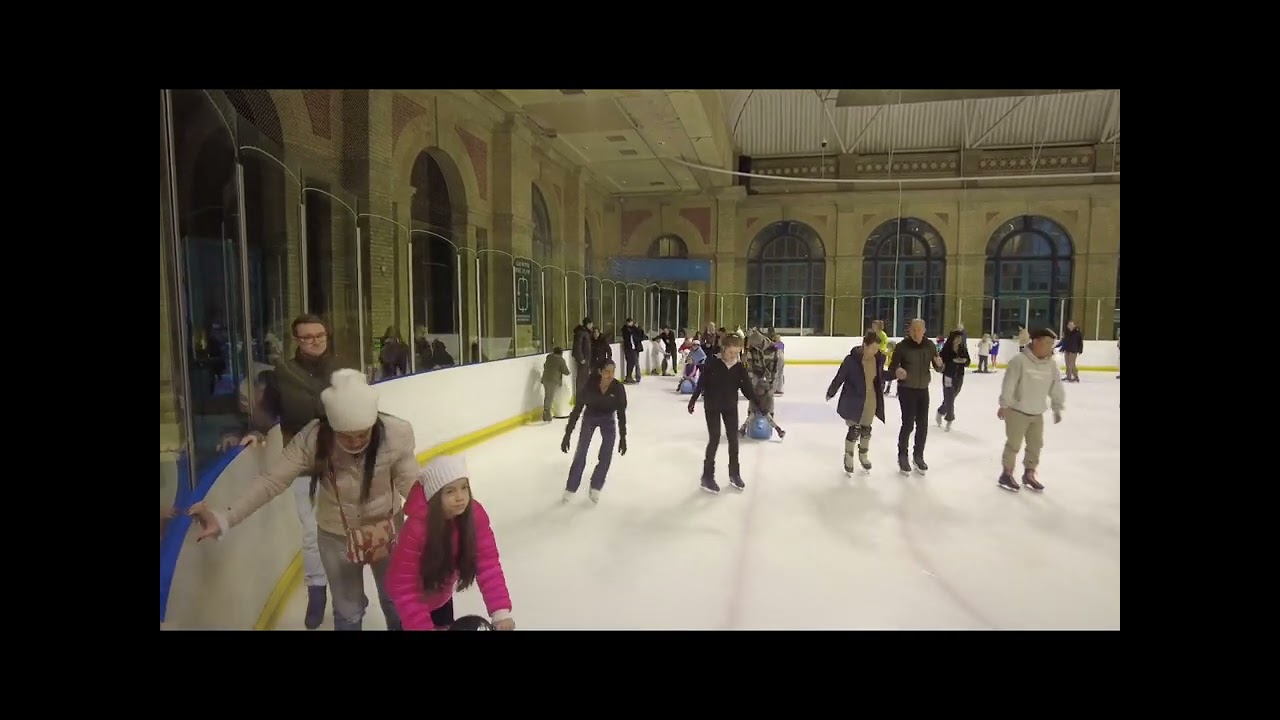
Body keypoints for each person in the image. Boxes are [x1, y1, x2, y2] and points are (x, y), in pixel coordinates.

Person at [189, 369, 420, 630]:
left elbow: (412, 485)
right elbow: (272, 481)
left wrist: (437, 518)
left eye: (362, 434)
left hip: (389, 531)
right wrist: (225, 517)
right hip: (337, 536)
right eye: (346, 435)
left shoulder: (395, 434)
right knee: (348, 610)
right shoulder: (313, 438)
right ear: (332, 426)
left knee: (397, 599)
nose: (355, 442)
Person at [221, 313, 336, 629]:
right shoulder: (281, 375)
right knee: (312, 532)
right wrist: (254, 431)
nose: (314, 341)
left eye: (319, 335)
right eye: (307, 337)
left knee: (344, 530)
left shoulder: (342, 370)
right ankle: (316, 592)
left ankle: (346, 591)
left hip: (342, 462)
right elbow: (267, 411)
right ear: (296, 340)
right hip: (302, 464)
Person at [386, 454, 515, 630]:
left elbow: (487, 564)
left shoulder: (474, 516)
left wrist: (500, 612)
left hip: (441, 596)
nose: (460, 497)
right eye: (450, 491)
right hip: (411, 606)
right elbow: (403, 586)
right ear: (435, 496)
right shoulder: (416, 530)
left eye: (464, 488)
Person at [997, 328, 1066, 492]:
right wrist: (1004, 404)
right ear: (1035, 341)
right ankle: (1007, 473)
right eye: (1047, 343)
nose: (1050, 347)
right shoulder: (1019, 361)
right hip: (1017, 411)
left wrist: (1057, 407)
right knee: (1013, 444)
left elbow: (1056, 387)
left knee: (1035, 445)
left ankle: (1029, 473)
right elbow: (1009, 383)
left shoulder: (1051, 364)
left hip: (1037, 412)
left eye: (1052, 344)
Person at [688, 334, 759, 494]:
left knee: (733, 440)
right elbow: (702, 381)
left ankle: (734, 474)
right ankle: (707, 476)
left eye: (736, 353)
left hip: (730, 407)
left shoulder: (739, 368)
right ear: (723, 349)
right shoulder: (712, 362)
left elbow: (747, 389)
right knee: (714, 439)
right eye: (730, 352)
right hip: (712, 406)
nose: (733, 356)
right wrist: (693, 399)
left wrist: (757, 403)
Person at [561, 358, 628, 503]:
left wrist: (623, 437)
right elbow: (577, 409)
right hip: (590, 416)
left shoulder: (618, 388)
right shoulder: (589, 386)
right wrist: (568, 434)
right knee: (581, 451)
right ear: (600, 372)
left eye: (613, 372)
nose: (610, 375)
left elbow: (621, 413)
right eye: (607, 372)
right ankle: (571, 488)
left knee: (606, 453)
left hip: (608, 419)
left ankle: (596, 486)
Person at [885, 318, 943, 474]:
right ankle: (902, 456)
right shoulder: (902, 346)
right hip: (906, 389)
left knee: (922, 425)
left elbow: (938, 367)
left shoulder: (930, 345)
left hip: (923, 390)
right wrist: (897, 371)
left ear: (924, 331)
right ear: (909, 331)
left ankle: (918, 456)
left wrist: (940, 365)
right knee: (908, 424)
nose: (916, 332)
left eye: (919, 329)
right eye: (913, 329)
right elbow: (892, 367)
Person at [825, 332, 886, 474]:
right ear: (865, 345)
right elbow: (840, 377)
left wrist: (896, 374)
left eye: (877, 349)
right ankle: (849, 455)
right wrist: (831, 392)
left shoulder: (878, 359)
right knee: (854, 430)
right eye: (873, 348)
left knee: (866, 430)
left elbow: (881, 376)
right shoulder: (851, 360)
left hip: (871, 400)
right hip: (853, 400)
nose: (875, 352)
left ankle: (863, 455)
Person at [936, 330, 971, 431]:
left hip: (959, 376)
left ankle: (941, 411)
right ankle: (949, 419)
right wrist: (953, 361)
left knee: (951, 397)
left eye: (960, 338)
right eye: (957, 338)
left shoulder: (963, 349)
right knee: (950, 398)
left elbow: (968, 361)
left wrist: (964, 361)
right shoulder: (946, 349)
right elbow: (941, 360)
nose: (959, 340)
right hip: (948, 375)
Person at [541, 346, 570, 422]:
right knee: (549, 396)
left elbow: (545, 365)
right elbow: (566, 372)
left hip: (545, 379)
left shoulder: (549, 357)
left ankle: (547, 411)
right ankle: (546, 413)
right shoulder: (560, 360)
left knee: (547, 395)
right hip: (552, 380)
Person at [571, 317, 594, 395]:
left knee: (585, 377)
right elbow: (577, 346)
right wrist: (581, 358)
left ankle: (584, 394)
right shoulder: (581, 333)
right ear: (588, 324)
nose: (592, 326)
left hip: (586, 358)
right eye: (591, 324)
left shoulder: (586, 332)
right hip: (583, 359)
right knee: (581, 378)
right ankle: (580, 395)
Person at [621, 318, 645, 383]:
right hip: (629, 349)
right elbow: (626, 336)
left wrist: (637, 328)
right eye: (628, 322)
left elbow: (641, 336)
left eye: (630, 322)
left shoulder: (635, 329)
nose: (629, 324)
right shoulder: (625, 329)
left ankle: (635, 377)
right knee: (632, 362)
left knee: (635, 363)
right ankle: (630, 377)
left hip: (636, 348)